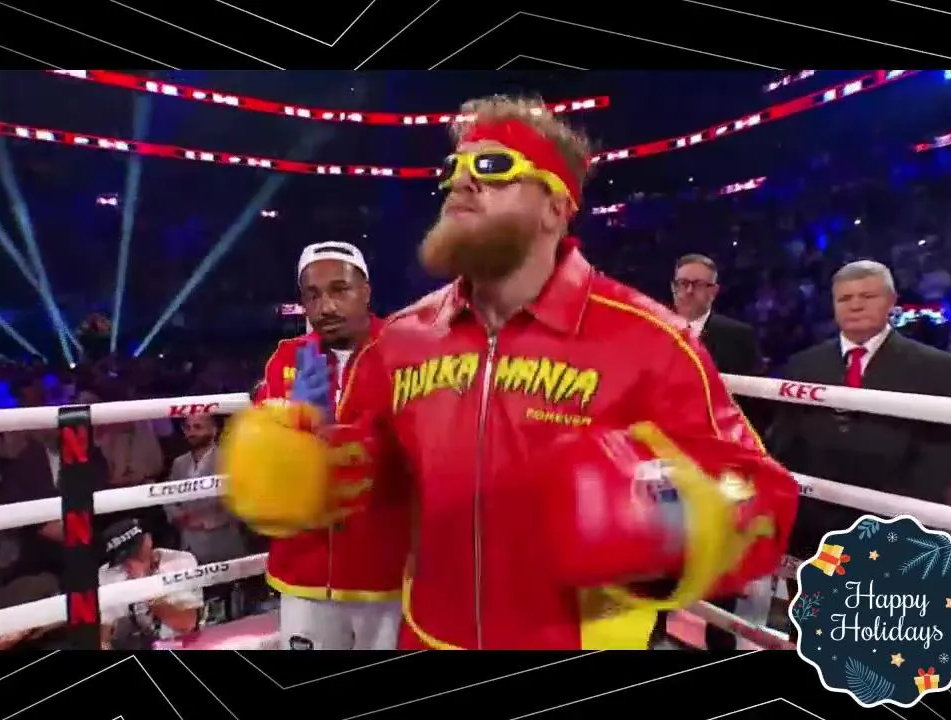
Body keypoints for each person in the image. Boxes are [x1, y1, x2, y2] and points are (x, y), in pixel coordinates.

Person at [221, 94, 798, 650]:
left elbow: (762, 498)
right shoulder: (403, 337)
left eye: (493, 167)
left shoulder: (652, 340)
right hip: (427, 638)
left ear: (556, 206)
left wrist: (677, 520)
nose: (461, 181)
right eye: (454, 168)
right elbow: (381, 470)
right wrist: (315, 469)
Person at [251, 241, 406, 650]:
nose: (326, 307)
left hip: (384, 570)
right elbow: (263, 457)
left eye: (340, 290)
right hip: (304, 567)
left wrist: (341, 438)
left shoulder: (407, 351)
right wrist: (291, 422)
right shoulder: (286, 359)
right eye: (313, 295)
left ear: (366, 291)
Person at [768, 260, 951, 558]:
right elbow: (785, 442)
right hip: (812, 524)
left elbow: (942, 459)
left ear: (891, 301)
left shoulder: (939, 368)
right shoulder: (803, 364)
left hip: (896, 529)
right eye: (844, 298)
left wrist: (888, 517)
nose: (855, 306)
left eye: (868, 296)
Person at [667, 253, 767, 650]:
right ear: (673, 287)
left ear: (714, 291)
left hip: (718, 464)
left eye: (698, 284)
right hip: (663, 461)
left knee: (720, 562)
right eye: (682, 283)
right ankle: (653, 632)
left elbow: (754, 405)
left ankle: (719, 642)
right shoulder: (654, 325)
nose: (689, 291)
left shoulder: (736, 337)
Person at [98, 519, 203, 649]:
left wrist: (145, 586)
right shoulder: (108, 575)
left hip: (179, 646)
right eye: (123, 558)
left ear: (148, 541)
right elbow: (103, 634)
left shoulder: (179, 561)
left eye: (135, 554)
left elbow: (187, 624)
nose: (130, 563)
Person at [164, 413, 245, 565]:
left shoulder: (229, 459)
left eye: (198, 427)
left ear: (214, 430)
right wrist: (178, 516)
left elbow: (244, 498)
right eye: (187, 427)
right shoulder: (179, 463)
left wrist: (217, 519)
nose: (191, 432)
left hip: (221, 544)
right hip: (188, 545)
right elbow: (167, 498)